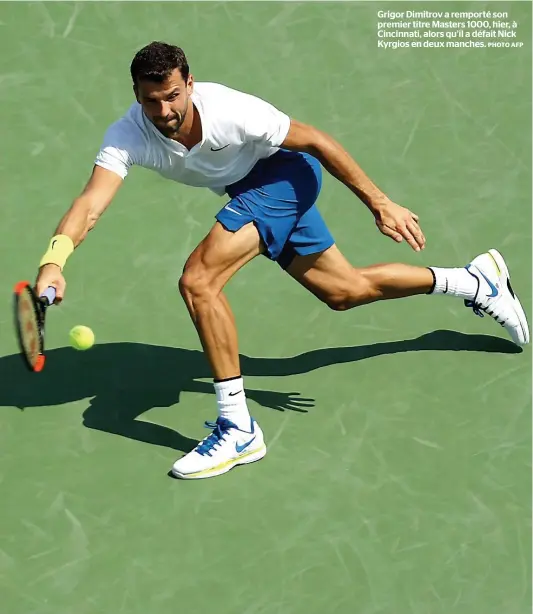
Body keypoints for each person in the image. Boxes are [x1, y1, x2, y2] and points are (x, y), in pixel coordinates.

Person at [34, 41, 529, 480]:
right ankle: (472, 282)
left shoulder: (231, 111)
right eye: (151, 100)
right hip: (247, 190)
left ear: (189, 82)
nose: (163, 110)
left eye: (172, 96)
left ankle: (238, 427)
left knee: (198, 282)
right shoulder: (128, 133)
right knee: (345, 291)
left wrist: (379, 202)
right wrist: (55, 260)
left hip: (286, 177)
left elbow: (315, 140)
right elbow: (90, 203)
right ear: (137, 94)